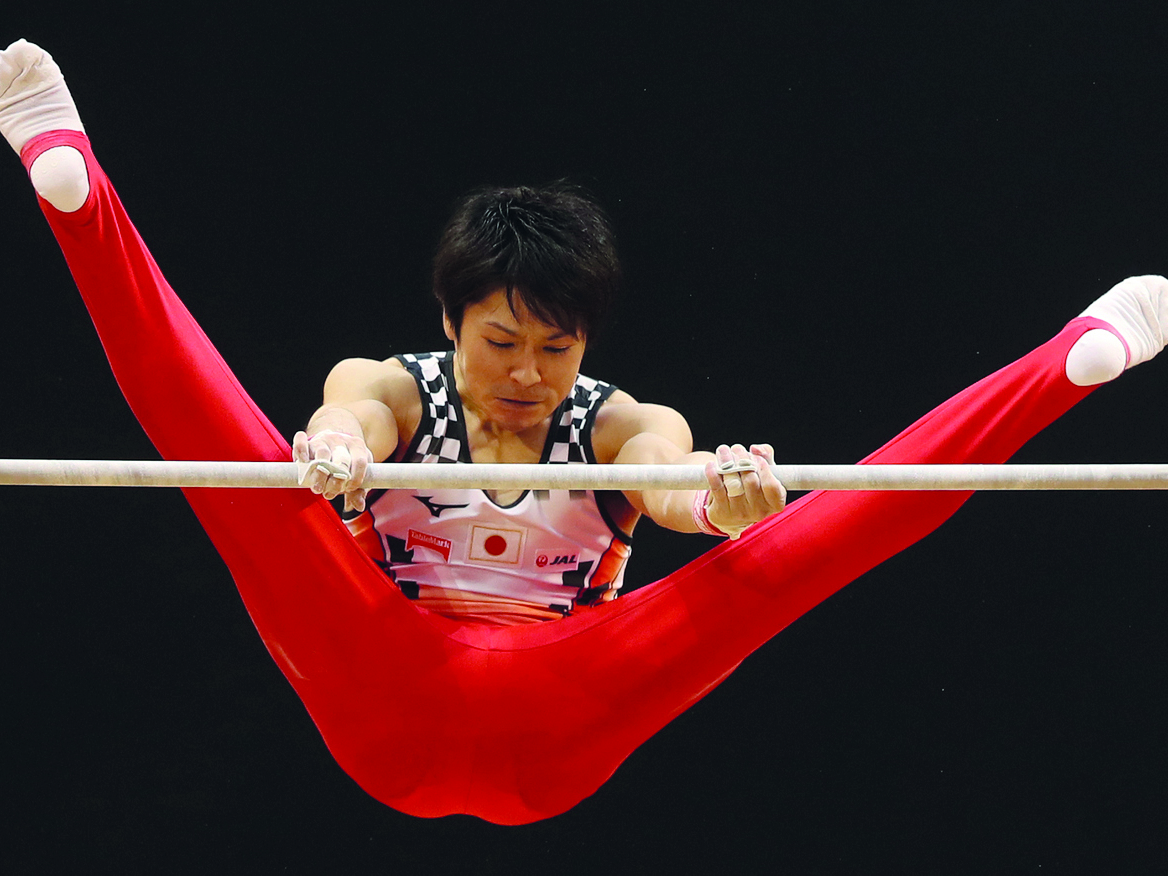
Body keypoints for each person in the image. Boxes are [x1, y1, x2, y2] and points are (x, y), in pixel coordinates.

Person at [3, 38, 1164, 824]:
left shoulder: (620, 422)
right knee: (253, 488)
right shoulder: (395, 387)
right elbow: (346, 412)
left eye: (554, 351)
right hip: (386, 686)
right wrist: (337, 452)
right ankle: (75, 186)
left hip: (568, 709)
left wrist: (716, 502)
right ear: (450, 320)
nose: (525, 373)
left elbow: (665, 483)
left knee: (793, 555)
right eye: (500, 342)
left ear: (584, 346)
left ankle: (1067, 362)